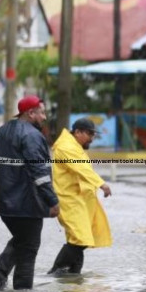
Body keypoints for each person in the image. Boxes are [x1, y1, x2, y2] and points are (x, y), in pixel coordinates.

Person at [0, 95, 60, 290]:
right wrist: (52, 200)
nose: (44, 117)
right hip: (28, 205)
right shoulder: (33, 136)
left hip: (7, 205)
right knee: (28, 248)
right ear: (30, 113)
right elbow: (40, 173)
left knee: (21, 241)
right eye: (41, 112)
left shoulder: (1, 132)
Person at [47, 117, 112, 275]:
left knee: (78, 240)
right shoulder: (66, 147)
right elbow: (81, 169)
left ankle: (73, 277)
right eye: (89, 133)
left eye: (93, 134)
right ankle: (57, 271)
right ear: (77, 132)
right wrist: (101, 183)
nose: (92, 138)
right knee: (81, 238)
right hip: (69, 200)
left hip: (79, 200)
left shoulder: (74, 146)